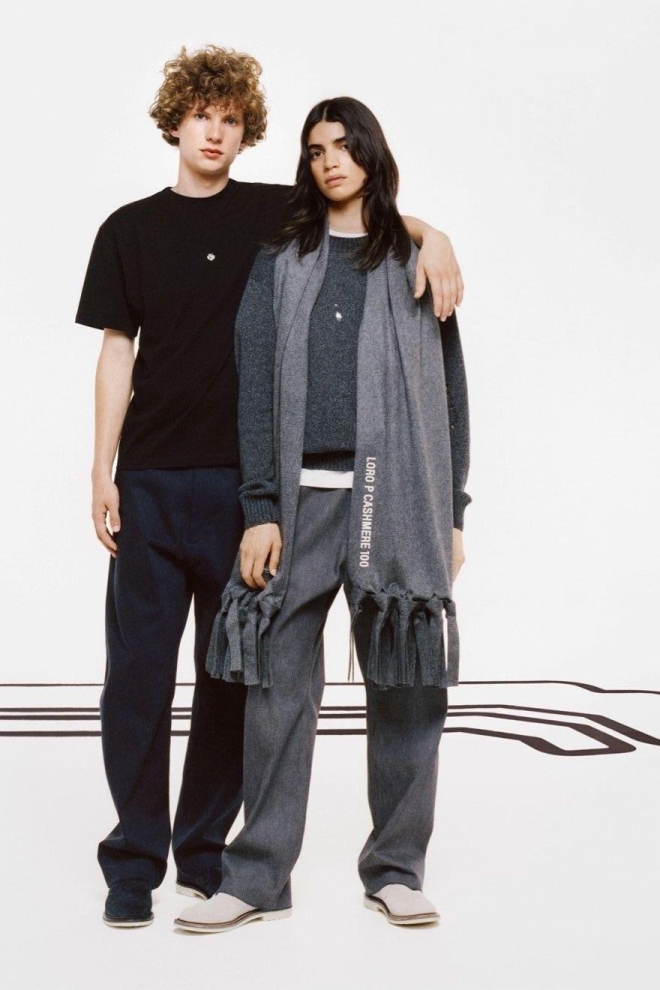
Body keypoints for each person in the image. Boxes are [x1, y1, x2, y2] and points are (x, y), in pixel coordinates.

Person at [75, 48, 465, 929]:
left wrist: (433, 236)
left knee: (314, 679)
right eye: (200, 116)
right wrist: (102, 467)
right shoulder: (169, 234)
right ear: (174, 123)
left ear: (246, 131)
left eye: (230, 118)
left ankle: (277, 860)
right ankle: (178, 865)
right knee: (186, 680)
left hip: (322, 491)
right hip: (204, 485)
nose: (214, 132)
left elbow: (376, 230)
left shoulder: (309, 227)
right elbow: (128, 354)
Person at [174, 95, 471, 935]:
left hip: (398, 499)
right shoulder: (280, 261)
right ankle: (257, 876)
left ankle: (397, 870)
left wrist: (452, 511)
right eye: (315, 150)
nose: (331, 161)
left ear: (371, 153)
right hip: (299, 503)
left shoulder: (414, 258)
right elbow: (254, 391)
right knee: (275, 691)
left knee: (406, 686)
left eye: (345, 146)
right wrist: (260, 508)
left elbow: (450, 393)